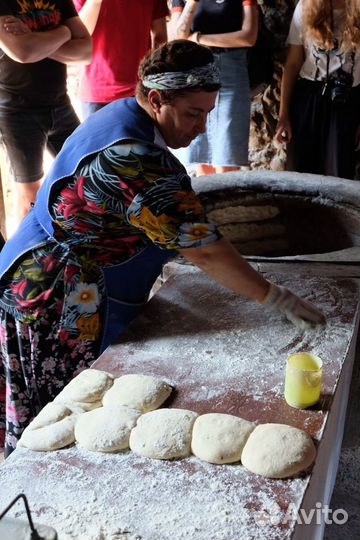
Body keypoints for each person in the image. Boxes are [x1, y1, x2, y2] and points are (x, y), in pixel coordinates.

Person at [0, 40, 325, 457]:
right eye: (193, 113)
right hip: (53, 296)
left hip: (49, 271)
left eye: (208, 112)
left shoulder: (122, 112)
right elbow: (203, 249)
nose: (202, 127)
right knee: (61, 427)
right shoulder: (133, 157)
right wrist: (273, 296)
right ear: (155, 98)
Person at [0, 1, 92, 228]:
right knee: (29, 196)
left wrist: (35, 38)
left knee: (87, 175)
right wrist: (64, 32)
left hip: (60, 103)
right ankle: (19, 259)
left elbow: (87, 51)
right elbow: (23, 51)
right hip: (16, 109)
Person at [170, 0, 258, 176]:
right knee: (199, 151)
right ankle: (208, 202)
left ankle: (227, 202)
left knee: (228, 153)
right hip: (195, 72)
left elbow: (249, 37)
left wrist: (198, 38)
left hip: (232, 69)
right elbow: (177, 39)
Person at [275, 0, 360, 178]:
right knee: (300, 172)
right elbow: (292, 64)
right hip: (308, 98)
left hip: (346, 100)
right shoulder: (306, 6)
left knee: (338, 174)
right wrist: (283, 116)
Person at [73, 0, 169, 119]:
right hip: (97, 90)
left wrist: (156, 80)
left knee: (142, 137)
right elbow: (78, 35)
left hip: (140, 89)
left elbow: (160, 37)